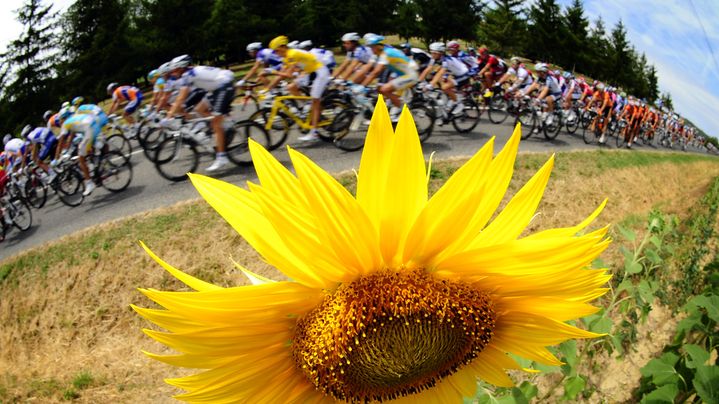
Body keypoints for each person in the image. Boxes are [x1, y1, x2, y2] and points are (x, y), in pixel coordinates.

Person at [162, 54, 236, 171]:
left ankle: (222, 157)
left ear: (181, 67)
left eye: (174, 70)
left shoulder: (188, 75)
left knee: (216, 123)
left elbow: (180, 98)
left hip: (224, 86)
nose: (172, 73)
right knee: (199, 109)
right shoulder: (190, 73)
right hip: (216, 87)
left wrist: (169, 116)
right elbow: (184, 98)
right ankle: (223, 124)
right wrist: (179, 109)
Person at [266, 36, 331, 142]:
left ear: (283, 47)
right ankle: (312, 112)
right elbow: (283, 73)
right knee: (294, 89)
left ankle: (314, 133)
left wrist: (272, 72)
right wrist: (269, 84)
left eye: (276, 50)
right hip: (312, 73)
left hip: (320, 73)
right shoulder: (287, 56)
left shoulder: (292, 54)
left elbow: (288, 74)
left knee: (315, 101)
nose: (276, 53)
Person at [352, 34, 418, 121]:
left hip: (411, 75)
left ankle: (404, 112)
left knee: (384, 89)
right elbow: (368, 66)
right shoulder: (378, 54)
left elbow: (376, 72)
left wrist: (362, 86)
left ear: (379, 46)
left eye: (372, 47)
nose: (371, 49)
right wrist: (354, 82)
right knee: (379, 88)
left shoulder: (386, 53)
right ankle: (392, 108)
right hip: (402, 74)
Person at [419, 42, 470, 116]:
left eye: (433, 53)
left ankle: (458, 104)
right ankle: (450, 98)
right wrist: (418, 81)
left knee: (444, 87)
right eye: (431, 52)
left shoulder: (446, 61)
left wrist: (430, 85)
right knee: (439, 81)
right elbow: (427, 69)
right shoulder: (434, 58)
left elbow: (440, 73)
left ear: (439, 53)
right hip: (454, 74)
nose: (432, 55)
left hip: (463, 75)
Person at [59, 110, 104, 195]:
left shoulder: (65, 124)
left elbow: (60, 142)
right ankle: (96, 168)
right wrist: (67, 148)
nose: (60, 122)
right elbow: (71, 138)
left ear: (64, 118)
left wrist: (58, 158)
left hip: (89, 129)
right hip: (95, 125)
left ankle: (89, 183)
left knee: (81, 158)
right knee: (89, 150)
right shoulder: (73, 119)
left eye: (60, 120)